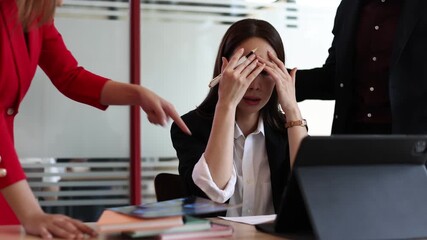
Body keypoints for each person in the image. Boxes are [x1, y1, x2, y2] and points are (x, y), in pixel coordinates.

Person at [0, 0, 191, 239]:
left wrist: (138, 94)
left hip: (6, 174)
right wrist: (32, 212)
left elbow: (69, 76)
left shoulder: (36, 16)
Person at [170, 19, 308, 217]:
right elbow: (211, 195)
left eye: (265, 72)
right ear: (225, 69)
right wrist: (226, 103)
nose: (254, 85)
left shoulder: (290, 129)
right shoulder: (189, 127)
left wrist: (292, 109)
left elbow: (311, 194)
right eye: (247, 70)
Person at [295, 0, 427, 134]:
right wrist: (281, 79)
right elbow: (336, 77)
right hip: (351, 135)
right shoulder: (348, 5)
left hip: (410, 141)